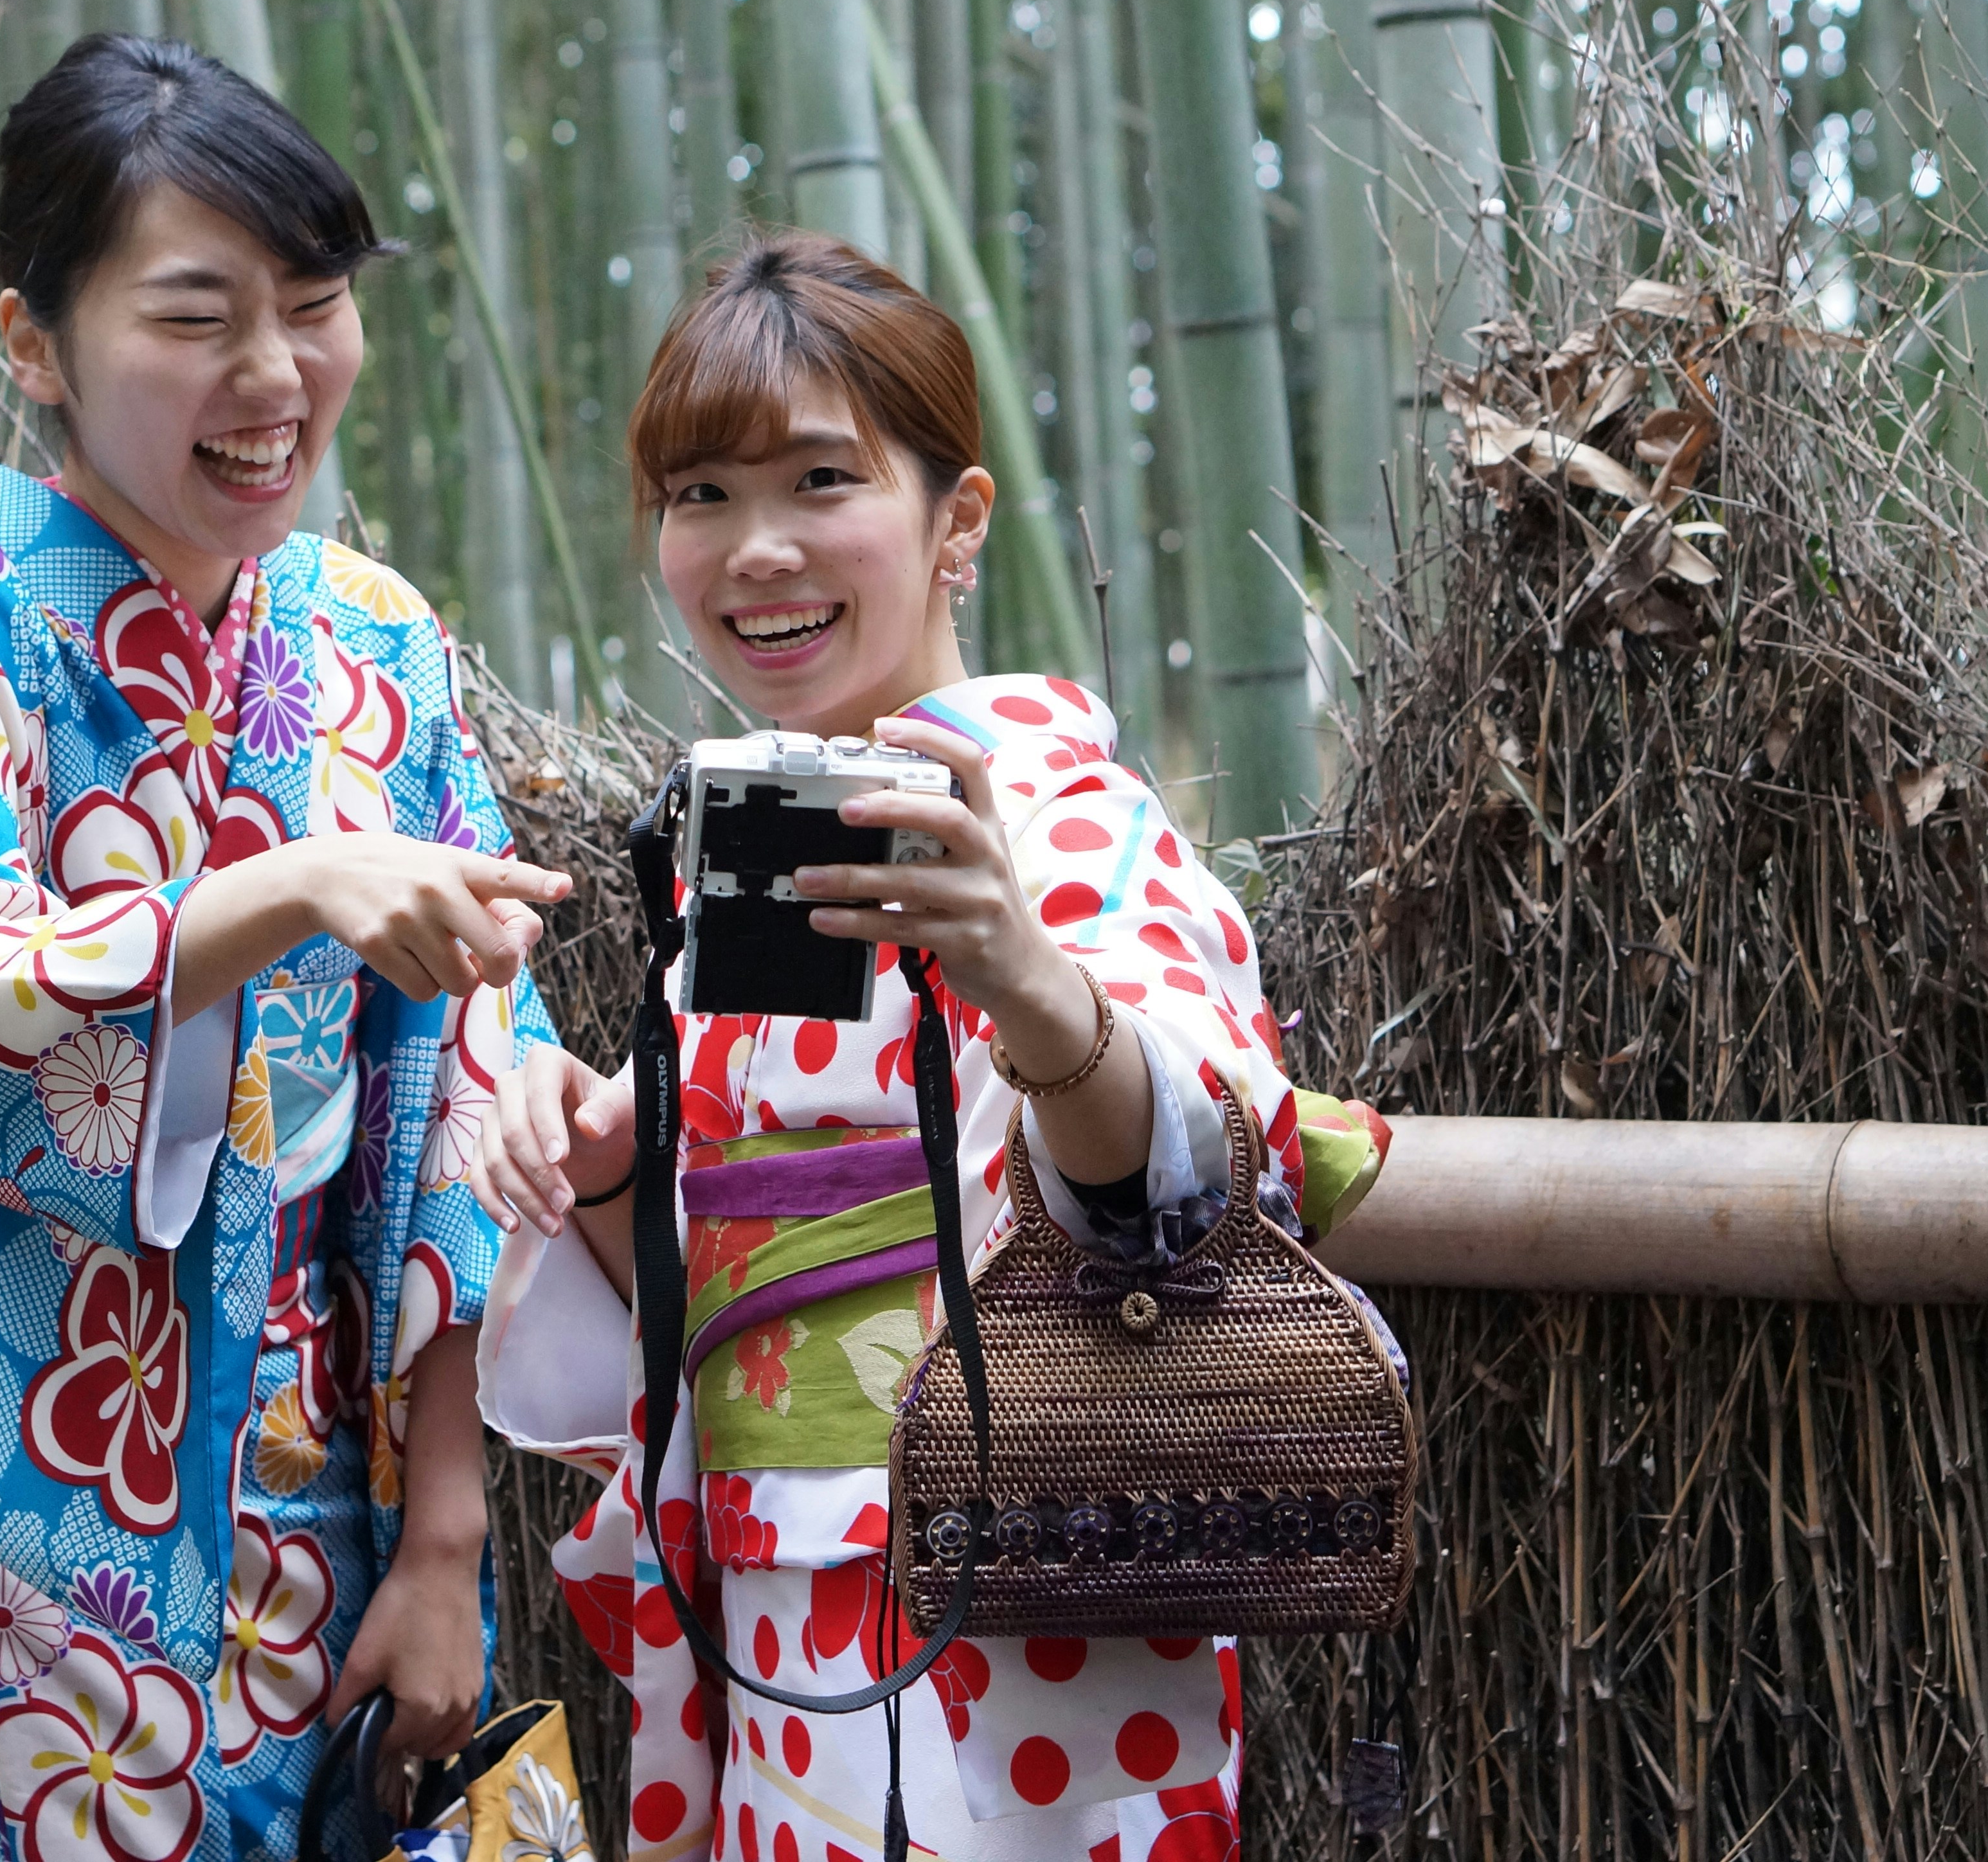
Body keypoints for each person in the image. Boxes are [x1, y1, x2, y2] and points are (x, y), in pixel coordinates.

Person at [0, 33, 571, 1862]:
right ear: (35, 344)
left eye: (316, 305)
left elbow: (463, 1109)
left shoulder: (379, 650)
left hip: (306, 1535)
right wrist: (281, 894)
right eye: (196, 317)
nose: (274, 375)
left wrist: (443, 1543)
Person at [469, 233, 1395, 1862]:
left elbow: (1196, 1179)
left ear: (955, 521)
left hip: (1023, 1574)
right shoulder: (744, 852)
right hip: (768, 1592)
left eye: (821, 481)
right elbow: (692, 1294)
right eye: (698, 496)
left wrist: (1025, 977)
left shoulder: (1064, 819)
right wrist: (606, 1175)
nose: (755, 549)